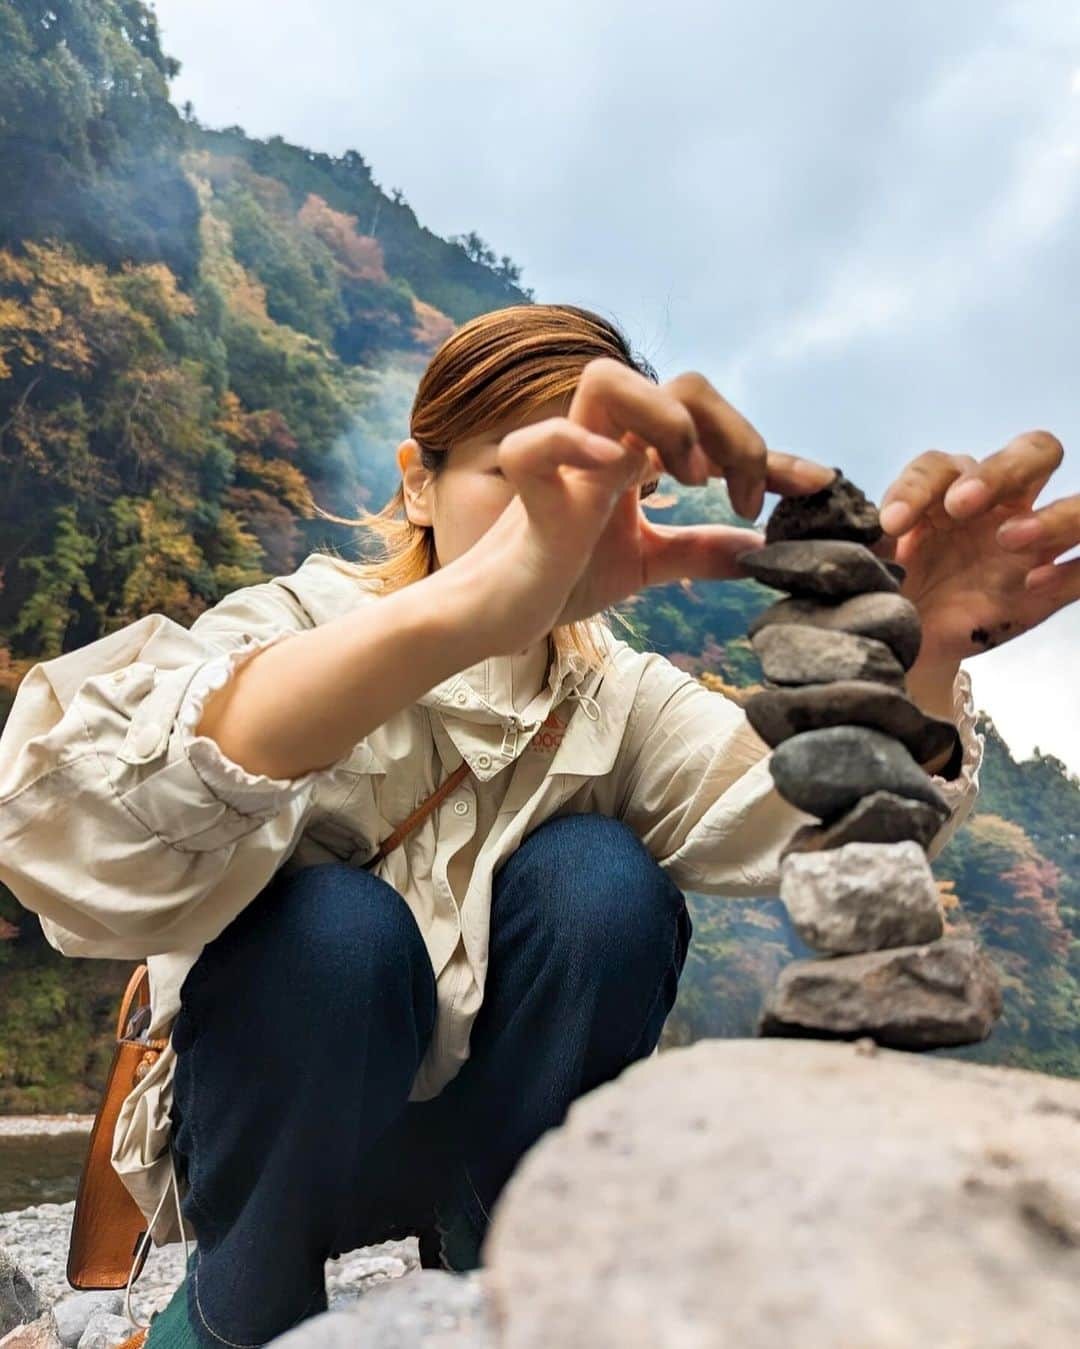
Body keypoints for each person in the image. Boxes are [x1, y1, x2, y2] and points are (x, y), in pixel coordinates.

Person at [0, 304, 1075, 1349]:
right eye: (516, 474)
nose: (554, 521)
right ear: (417, 482)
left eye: (605, 491)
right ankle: (241, 1314)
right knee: (333, 929)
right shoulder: (290, 630)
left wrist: (922, 654)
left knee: (602, 879)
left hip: (487, 1142)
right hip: (270, 1142)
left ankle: (505, 1267)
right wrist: (473, 608)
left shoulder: (621, 698)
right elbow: (73, 821)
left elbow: (821, 826)